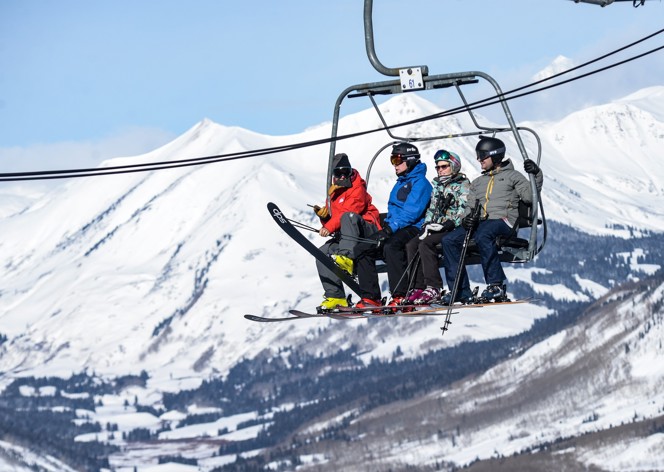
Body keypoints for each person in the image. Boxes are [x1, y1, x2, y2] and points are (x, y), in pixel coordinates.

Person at [440, 136, 543, 304]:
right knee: (449, 240)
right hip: (481, 223)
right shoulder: (478, 182)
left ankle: (495, 285)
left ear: (494, 156)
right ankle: (460, 290)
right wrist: (466, 219)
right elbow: (469, 206)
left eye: (482, 155)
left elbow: (530, 197)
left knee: (483, 234)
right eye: (478, 155)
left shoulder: (513, 176)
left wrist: (536, 174)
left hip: (504, 222)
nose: (479, 159)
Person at [354, 142, 432, 309]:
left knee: (391, 246)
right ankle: (371, 297)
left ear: (410, 160)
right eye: (393, 161)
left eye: (397, 160)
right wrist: (384, 229)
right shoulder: (401, 182)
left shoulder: (421, 183)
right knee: (363, 248)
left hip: (414, 227)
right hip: (396, 227)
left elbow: (412, 212)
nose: (394, 165)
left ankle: (400, 294)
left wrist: (389, 230)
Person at [313, 152, 382, 310]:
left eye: (347, 171)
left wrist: (328, 226)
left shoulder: (358, 188)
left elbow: (351, 212)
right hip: (348, 237)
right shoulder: (334, 193)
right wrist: (325, 218)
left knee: (348, 217)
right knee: (322, 254)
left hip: (367, 232)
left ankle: (347, 259)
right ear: (334, 175)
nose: (344, 175)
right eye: (339, 172)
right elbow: (334, 222)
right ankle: (335, 296)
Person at [403, 150, 470, 305]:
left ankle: (433, 286)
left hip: (452, 228)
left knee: (426, 244)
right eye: (438, 167)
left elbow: (464, 208)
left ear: (453, 166)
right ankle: (418, 287)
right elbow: (432, 209)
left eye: (444, 166)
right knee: (412, 244)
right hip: (437, 226)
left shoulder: (462, 185)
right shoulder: (438, 186)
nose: (440, 170)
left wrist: (449, 223)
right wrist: (427, 223)